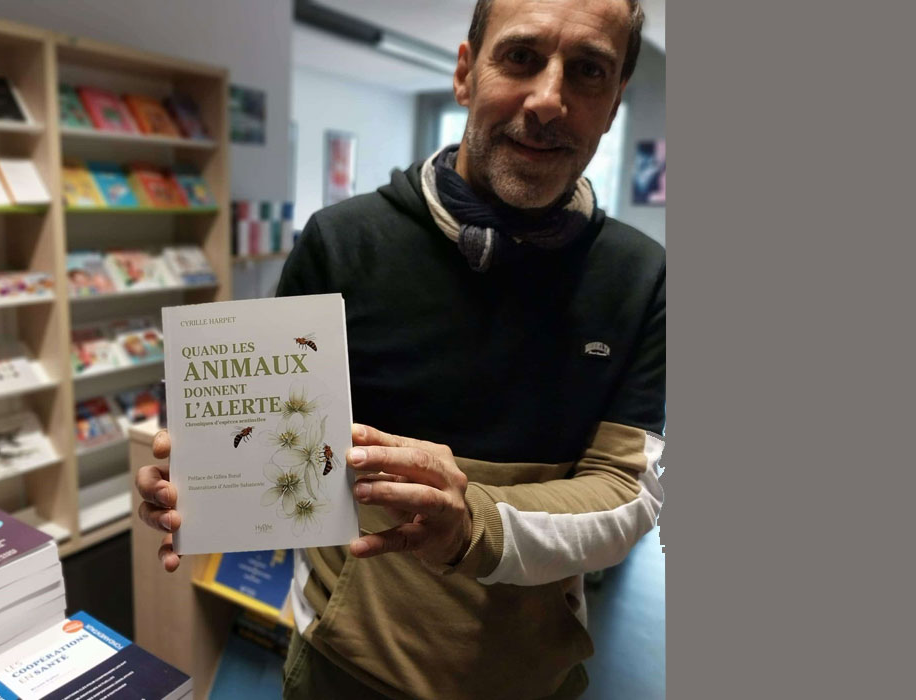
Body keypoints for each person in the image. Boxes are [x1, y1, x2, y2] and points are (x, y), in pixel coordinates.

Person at [135, 0, 664, 697]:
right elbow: (272, 441)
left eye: (589, 71)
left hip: (528, 678)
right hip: (340, 666)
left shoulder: (642, 278)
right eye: (521, 56)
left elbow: (626, 496)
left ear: (615, 101)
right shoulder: (343, 243)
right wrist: (198, 484)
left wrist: (471, 523)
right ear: (466, 73)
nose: (548, 100)